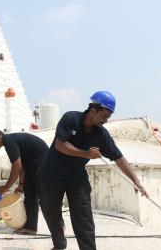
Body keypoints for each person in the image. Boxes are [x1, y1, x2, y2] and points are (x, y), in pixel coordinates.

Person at [40, 91, 149, 250]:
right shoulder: (71, 118)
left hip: (77, 176)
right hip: (52, 174)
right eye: (103, 116)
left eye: (108, 117)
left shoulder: (101, 135)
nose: (105, 121)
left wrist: (136, 181)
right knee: (51, 213)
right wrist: (86, 154)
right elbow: (60, 145)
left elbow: (119, 158)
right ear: (93, 110)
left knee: (84, 218)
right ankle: (59, 244)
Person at [0, 127, 48, 235]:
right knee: (30, 195)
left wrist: (5, 188)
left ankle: (58, 226)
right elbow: (21, 165)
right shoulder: (10, 141)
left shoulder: (9, 142)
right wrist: (21, 184)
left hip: (42, 164)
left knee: (45, 198)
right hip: (32, 165)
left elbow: (16, 166)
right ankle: (31, 227)